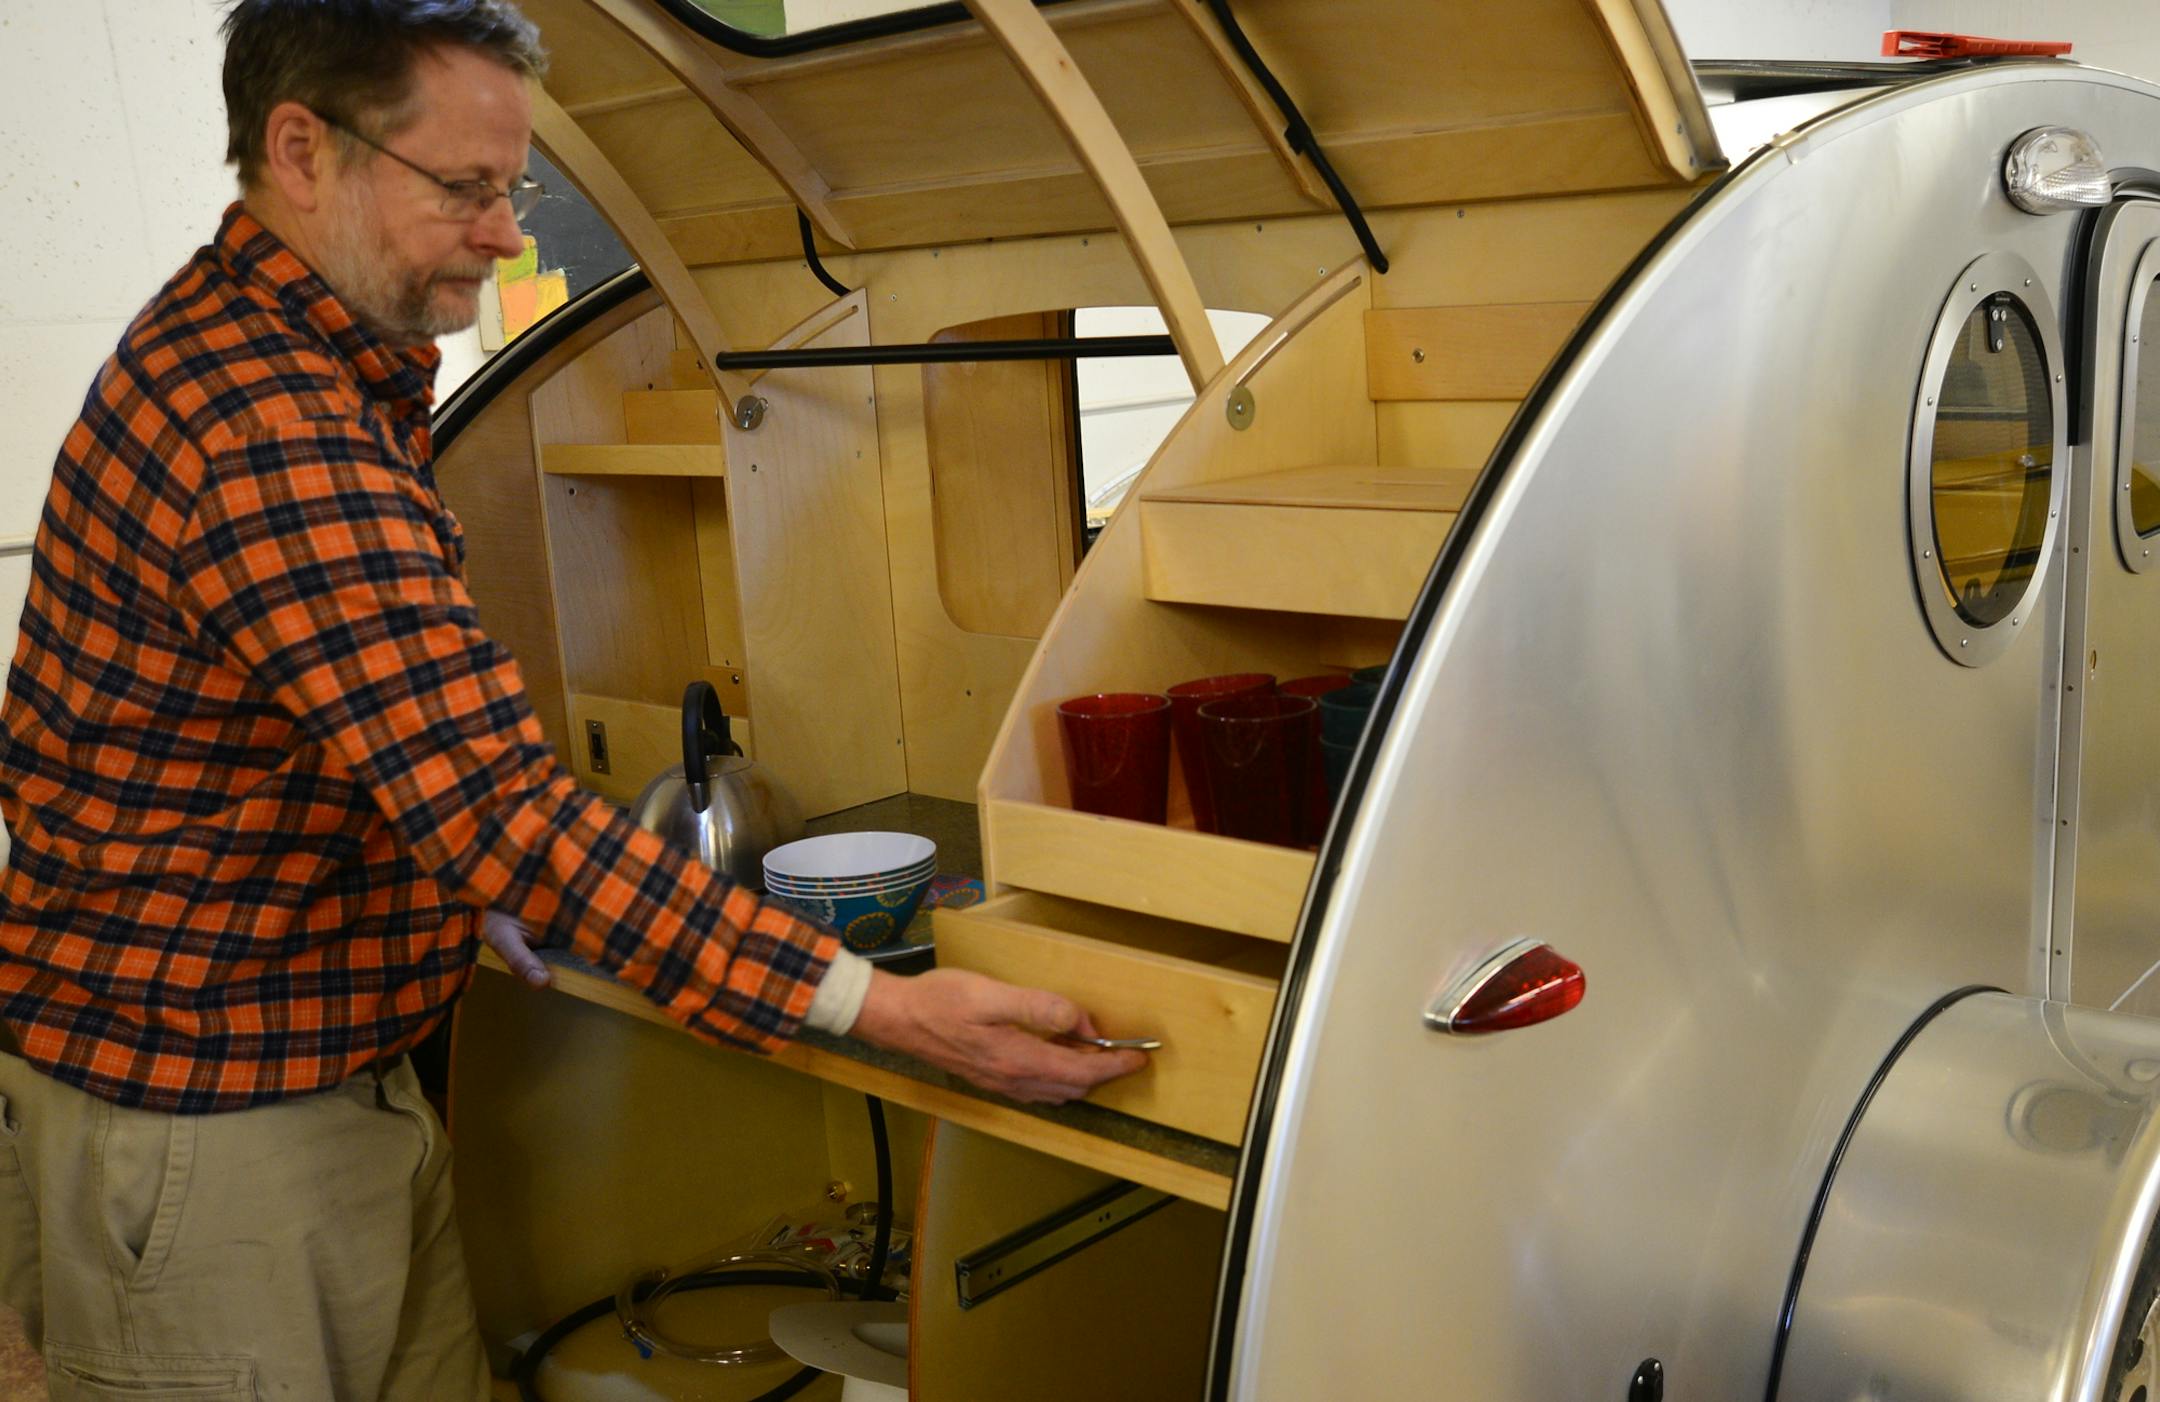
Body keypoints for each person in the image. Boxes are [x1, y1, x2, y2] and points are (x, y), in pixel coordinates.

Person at [0, 1, 1144, 1395]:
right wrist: (894, 1011)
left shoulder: (306, 361)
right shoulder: (267, 422)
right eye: (465, 188)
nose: (504, 232)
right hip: (210, 1136)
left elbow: (334, 731)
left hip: (331, 1088)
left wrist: (434, 859)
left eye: (514, 185)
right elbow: (503, 813)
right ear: (301, 149)